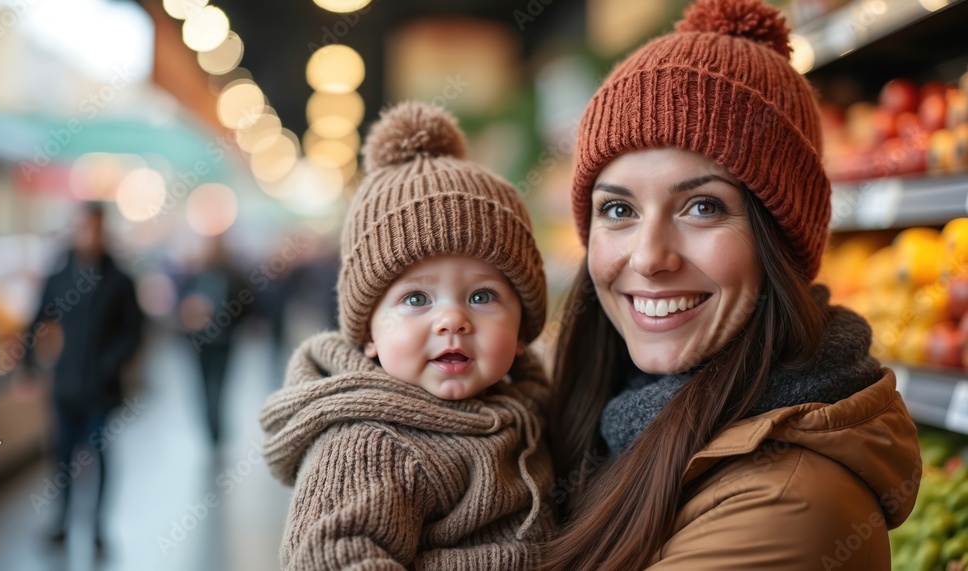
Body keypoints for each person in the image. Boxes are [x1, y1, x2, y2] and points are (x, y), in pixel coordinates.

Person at [542, 1, 921, 569]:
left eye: (701, 205)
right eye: (618, 209)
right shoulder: (611, 415)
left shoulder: (788, 504)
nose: (648, 258)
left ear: (779, 241)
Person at [259, 102, 554, 569]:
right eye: (417, 300)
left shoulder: (537, 407)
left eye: (482, 296)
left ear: (522, 330)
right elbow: (332, 558)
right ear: (369, 334)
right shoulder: (369, 444)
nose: (452, 321)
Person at [21, 202, 144, 554]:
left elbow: (134, 331)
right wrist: (30, 367)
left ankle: (98, 526)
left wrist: (111, 362)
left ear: (103, 231)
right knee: (62, 457)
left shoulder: (119, 278)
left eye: (94, 229)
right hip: (64, 386)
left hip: (102, 390)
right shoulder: (59, 275)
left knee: (100, 456)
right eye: (82, 228)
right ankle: (61, 521)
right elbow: (36, 320)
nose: (88, 235)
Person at [177, 235, 248, 446]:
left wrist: (233, 325)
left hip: (224, 343)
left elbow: (247, 304)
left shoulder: (234, 275)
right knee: (203, 387)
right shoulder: (197, 275)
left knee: (218, 387)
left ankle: (217, 432)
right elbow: (183, 305)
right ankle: (210, 430)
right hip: (200, 343)